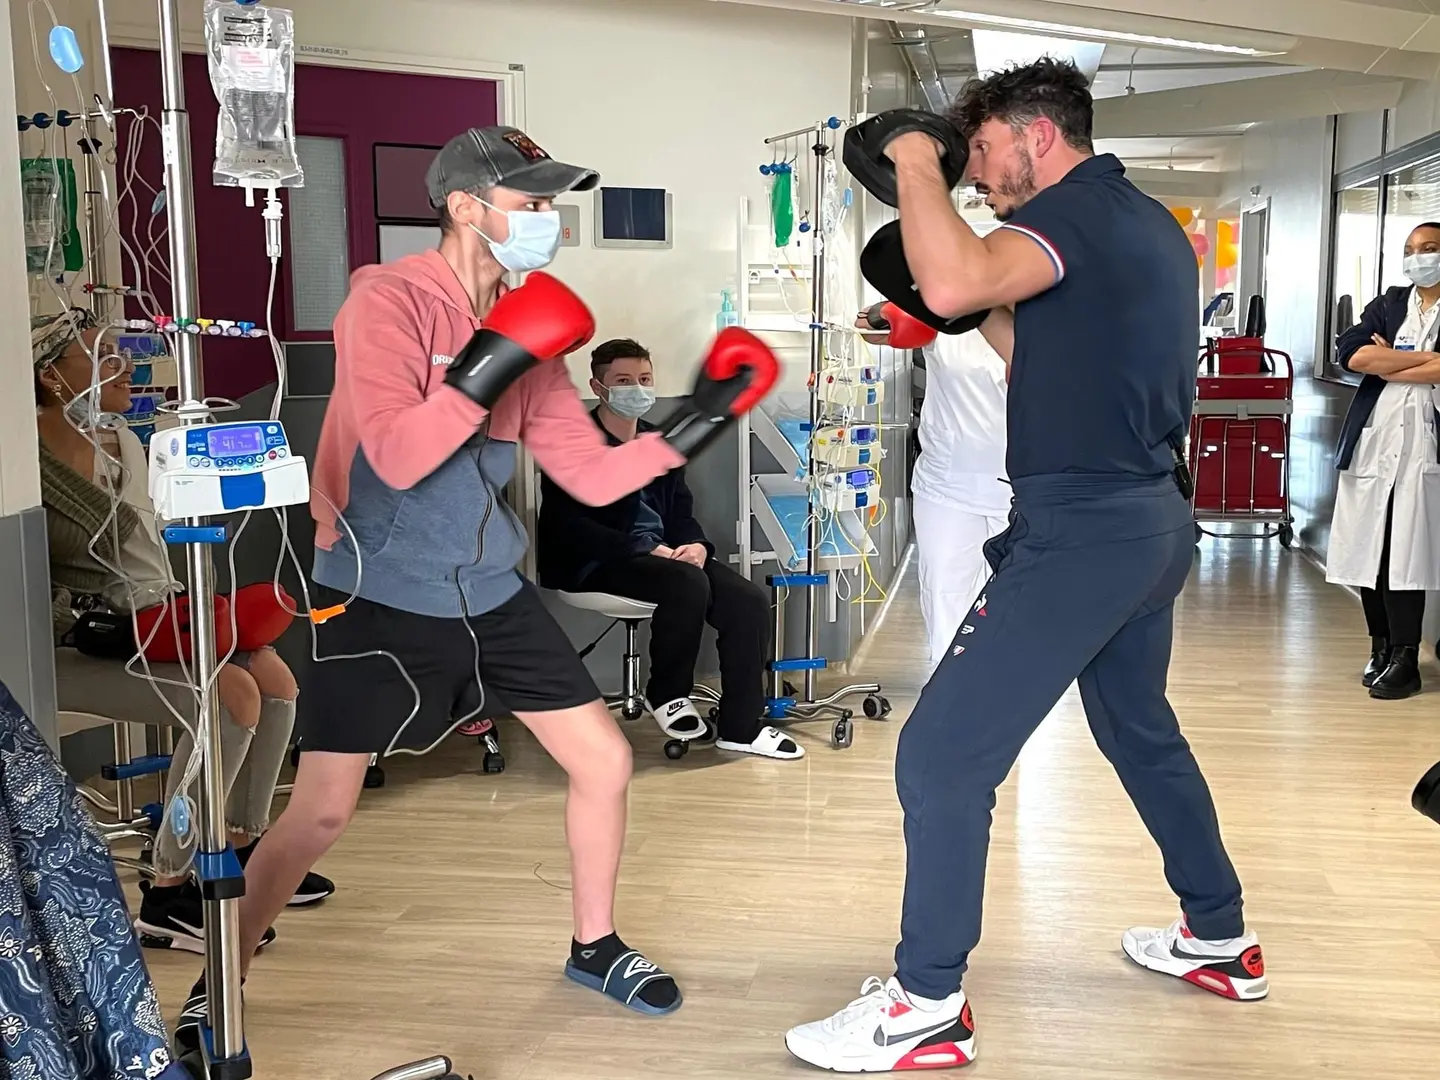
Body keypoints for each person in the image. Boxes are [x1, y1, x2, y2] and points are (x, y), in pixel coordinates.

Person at [175, 126, 777, 1048]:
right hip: (378, 586)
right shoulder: (387, 301)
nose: (549, 221)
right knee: (324, 809)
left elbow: (595, 474)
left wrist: (700, 416)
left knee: (604, 761)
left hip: (490, 587)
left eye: (549, 204)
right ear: (465, 207)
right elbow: (399, 452)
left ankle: (594, 943)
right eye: (532, 203)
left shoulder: (535, 322)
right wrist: (492, 358)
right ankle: (222, 979)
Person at [786, 60, 1264, 1073]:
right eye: (957, 161)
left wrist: (912, 157)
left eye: (984, 151)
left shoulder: (1078, 211)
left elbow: (957, 270)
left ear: (1034, 135)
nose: (976, 176)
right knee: (1137, 728)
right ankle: (1219, 936)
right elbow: (1025, 343)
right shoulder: (1137, 222)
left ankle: (925, 1007)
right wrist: (958, 311)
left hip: (1085, 530)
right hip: (1145, 520)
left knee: (940, 757)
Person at [33, 310, 334, 958]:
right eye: (103, 355)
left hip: (158, 618)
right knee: (230, 694)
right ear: (53, 375)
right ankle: (168, 887)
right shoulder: (25, 461)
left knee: (274, 679)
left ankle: (247, 845)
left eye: (121, 350)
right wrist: (96, 621)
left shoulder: (124, 438)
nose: (125, 366)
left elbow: (146, 552)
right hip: (75, 642)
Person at [536, 337, 800, 759]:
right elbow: (570, 527)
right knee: (685, 583)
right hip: (596, 561)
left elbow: (680, 512)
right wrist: (645, 549)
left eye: (643, 378)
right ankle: (667, 692)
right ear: (599, 387)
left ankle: (740, 727)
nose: (636, 388)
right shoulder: (573, 444)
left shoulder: (661, 443)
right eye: (622, 380)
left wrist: (696, 545)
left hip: (667, 559)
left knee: (747, 600)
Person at [860, 312, 1010, 673]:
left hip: (1024, 488)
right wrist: (892, 310)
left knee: (1021, 605)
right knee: (946, 599)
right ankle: (950, 700)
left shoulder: (1041, 316)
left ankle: (1006, 699)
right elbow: (868, 329)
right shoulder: (949, 314)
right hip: (947, 488)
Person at [1327, 221, 1440, 700]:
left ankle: (1406, 657)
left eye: (1430, 248)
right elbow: (1352, 354)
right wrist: (1424, 362)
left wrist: (1390, 358)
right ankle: (1379, 647)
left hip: (1425, 444)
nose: (1419, 258)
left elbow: (1377, 362)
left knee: (1406, 552)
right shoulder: (1390, 303)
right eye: (1411, 249)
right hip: (1374, 441)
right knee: (1368, 551)